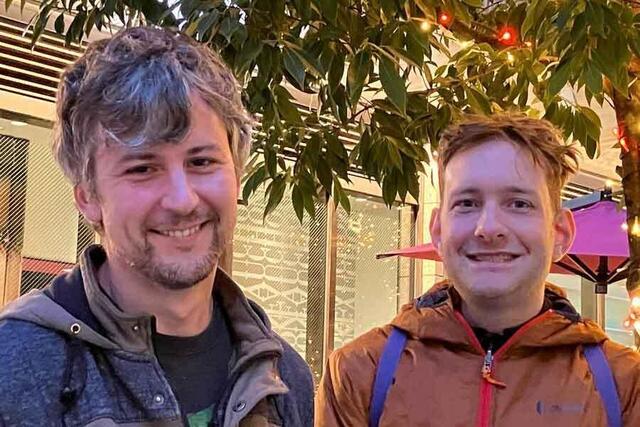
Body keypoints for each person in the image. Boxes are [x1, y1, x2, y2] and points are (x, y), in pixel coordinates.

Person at [0, 26, 313, 427]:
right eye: (143, 168)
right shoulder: (16, 369)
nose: (182, 200)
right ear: (88, 198)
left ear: (237, 174)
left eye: (202, 162)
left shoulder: (285, 382)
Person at [315, 114, 640, 426]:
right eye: (467, 203)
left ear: (560, 233)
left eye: (519, 204)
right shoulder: (361, 373)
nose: (489, 228)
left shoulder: (624, 384)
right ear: (438, 231)